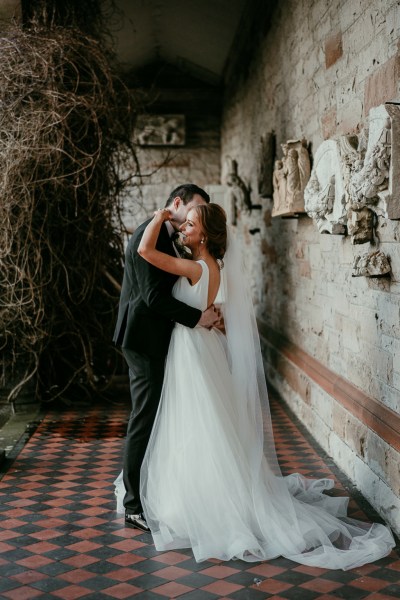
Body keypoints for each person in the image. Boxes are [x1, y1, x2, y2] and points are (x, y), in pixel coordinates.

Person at [115, 202, 395, 569]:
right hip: (197, 348)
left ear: (204, 235)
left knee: (197, 424)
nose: (184, 227)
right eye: (186, 222)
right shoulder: (211, 266)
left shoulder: (196, 267)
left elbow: (145, 251)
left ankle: (201, 500)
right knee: (203, 425)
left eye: (192, 224)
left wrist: (161, 215)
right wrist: (204, 315)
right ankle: (197, 492)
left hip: (192, 352)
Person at [113, 184, 221, 532]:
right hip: (143, 340)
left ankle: (157, 489)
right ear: (177, 203)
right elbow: (152, 298)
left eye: (199, 217)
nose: (194, 218)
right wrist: (197, 317)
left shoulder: (169, 237)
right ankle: (133, 505)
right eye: (192, 211)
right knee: (144, 417)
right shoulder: (154, 234)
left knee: (159, 416)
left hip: (160, 339)